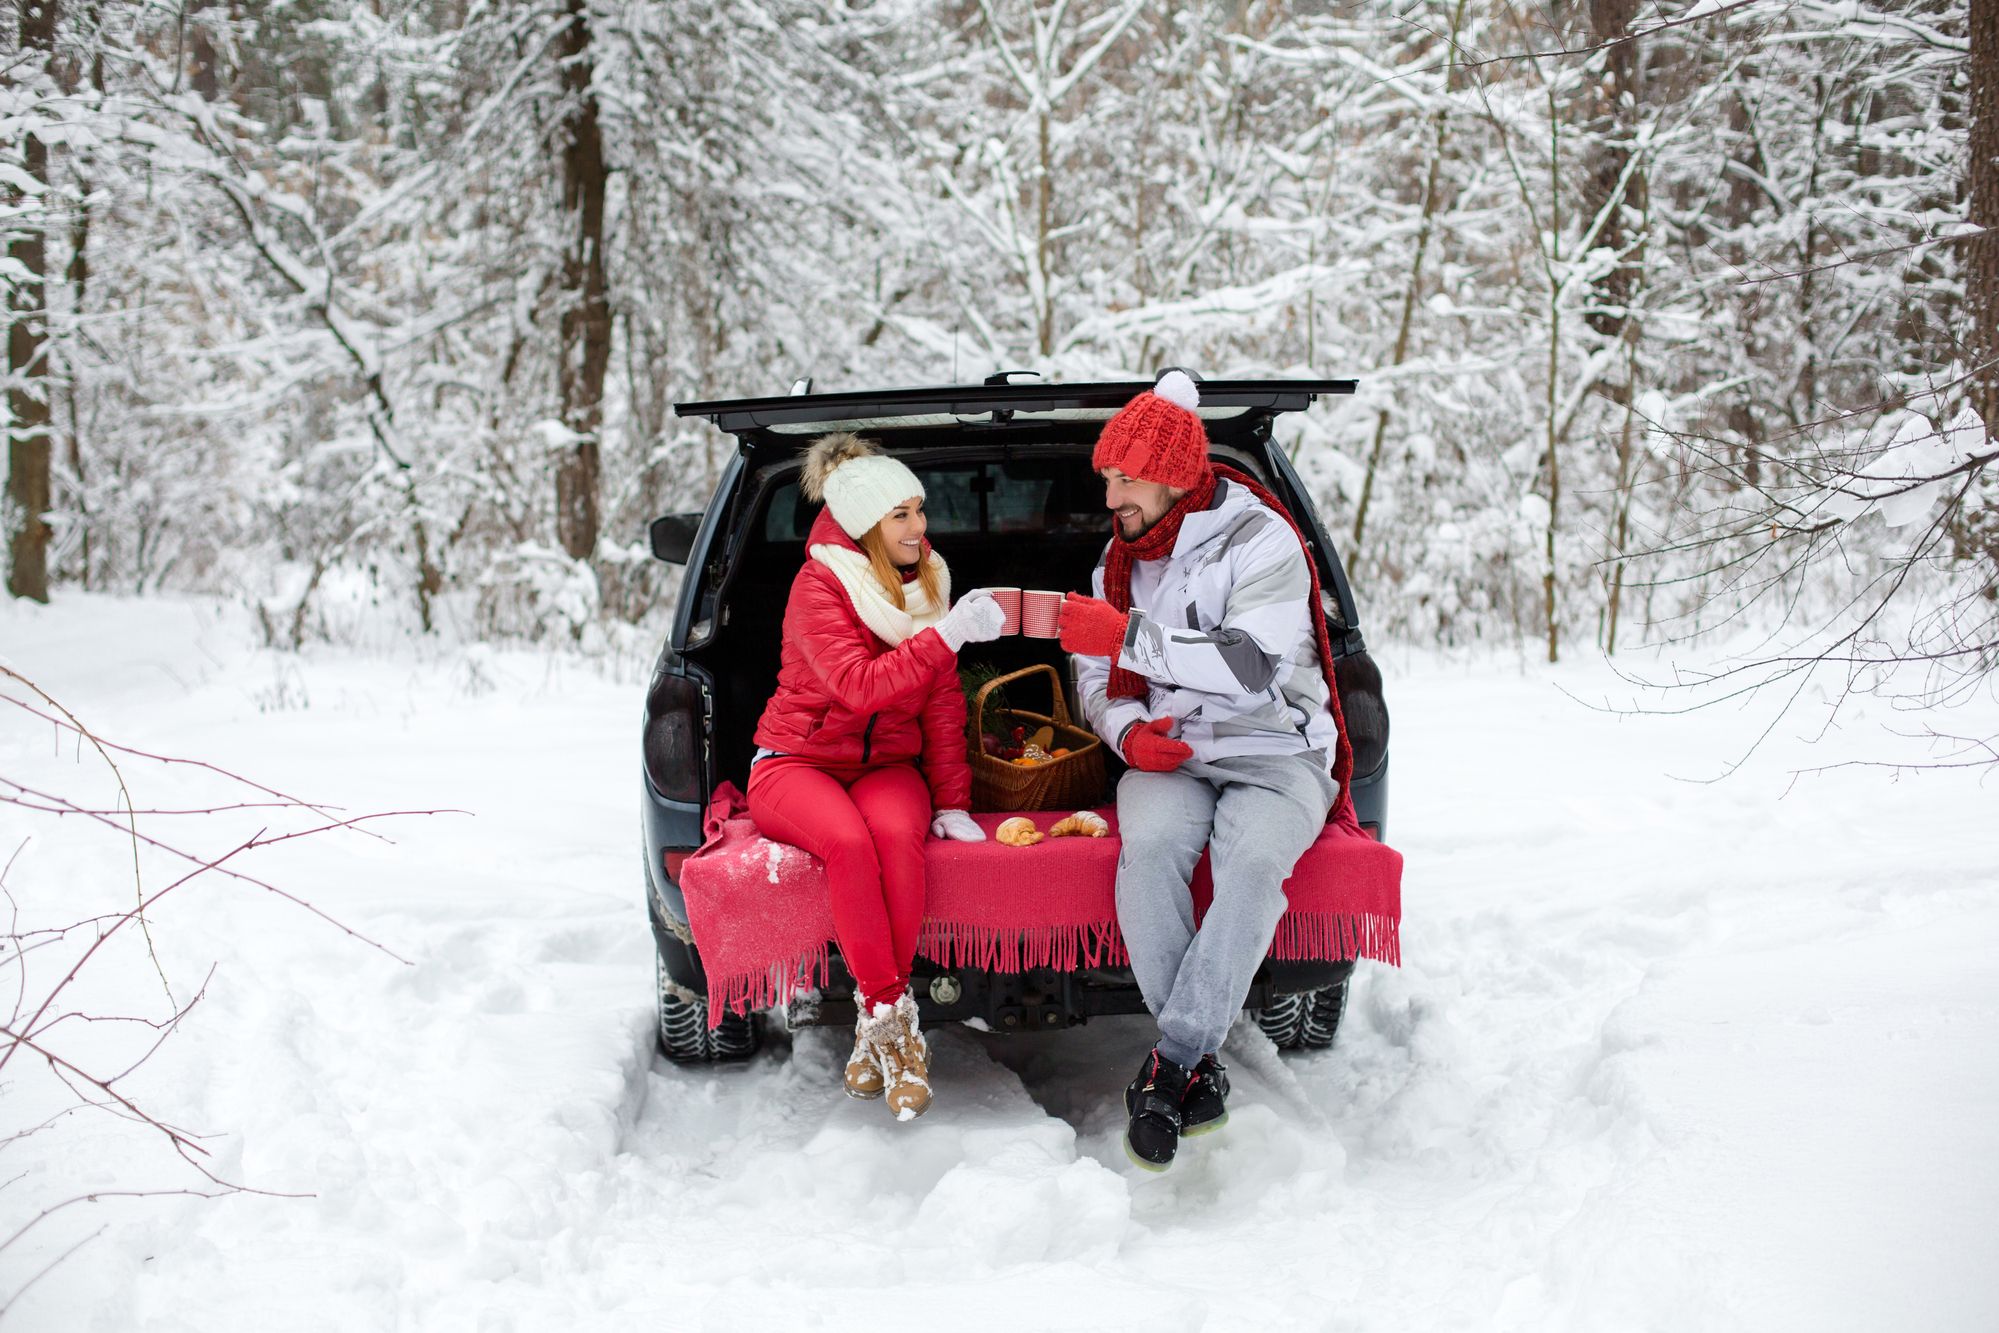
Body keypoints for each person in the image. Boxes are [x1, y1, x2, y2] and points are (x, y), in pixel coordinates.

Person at [1058, 370, 1351, 1171]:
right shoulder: (1119, 557)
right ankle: (1195, 1064)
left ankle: (1177, 1061)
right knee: (1147, 854)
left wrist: (1123, 639)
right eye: (1108, 476)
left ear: (1170, 476)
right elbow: (1091, 675)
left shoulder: (1263, 542)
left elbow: (1250, 663)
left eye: (1122, 478)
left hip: (1274, 751)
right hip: (1174, 752)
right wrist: (1124, 730)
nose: (1108, 492)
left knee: (1252, 862)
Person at [748, 432, 1006, 1120]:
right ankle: (894, 1023)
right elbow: (859, 686)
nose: (920, 528)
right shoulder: (818, 585)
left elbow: (943, 702)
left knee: (896, 836)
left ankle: (870, 1036)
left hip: (885, 765)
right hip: (795, 762)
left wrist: (951, 799)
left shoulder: (926, 584)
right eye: (902, 515)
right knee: (850, 845)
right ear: (866, 524)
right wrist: (947, 636)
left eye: (920, 511)